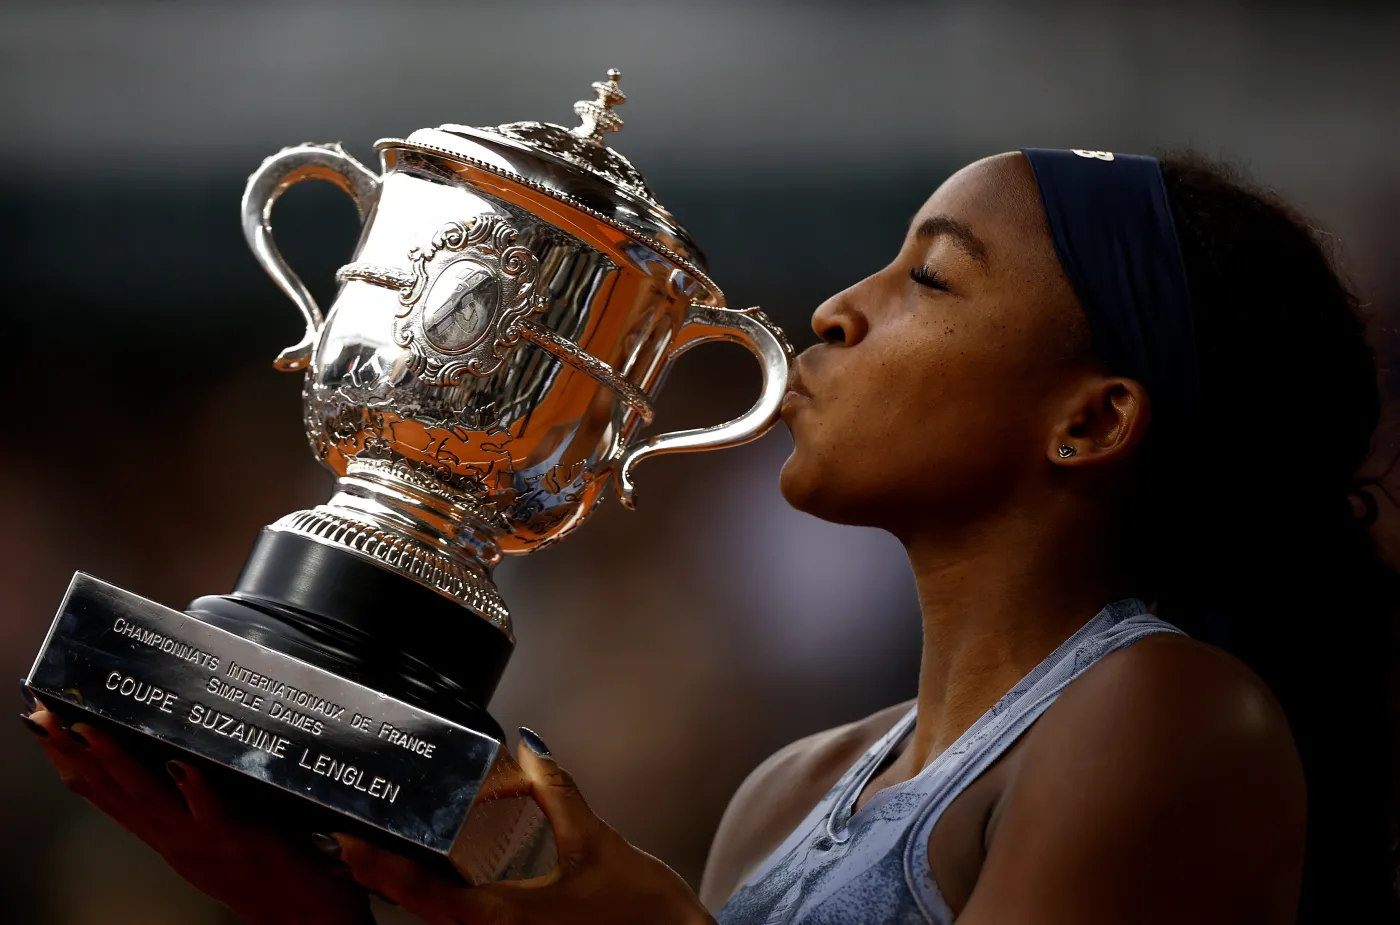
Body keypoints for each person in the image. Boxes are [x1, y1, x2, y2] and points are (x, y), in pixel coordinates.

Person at [24, 148, 1399, 924]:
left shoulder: (1164, 715)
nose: (840, 311)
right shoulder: (792, 789)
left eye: (929, 276)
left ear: (1092, 422)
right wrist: (317, 917)